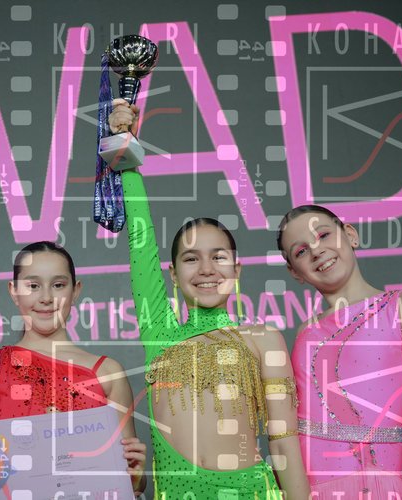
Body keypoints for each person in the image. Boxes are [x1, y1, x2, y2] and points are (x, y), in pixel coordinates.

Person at [109, 100, 310, 499]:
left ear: (237, 269)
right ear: (172, 274)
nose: (205, 269)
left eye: (218, 257)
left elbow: (284, 442)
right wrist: (127, 157)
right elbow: (140, 240)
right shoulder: (160, 333)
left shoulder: (263, 339)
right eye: (190, 259)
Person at [276, 205, 402, 499]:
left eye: (323, 235)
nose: (317, 251)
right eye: (301, 251)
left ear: (350, 234)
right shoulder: (304, 333)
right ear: (294, 272)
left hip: (379, 487)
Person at [0, 241, 147, 498]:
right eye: (33, 286)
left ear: (76, 290)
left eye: (58, 285)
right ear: (14, 291)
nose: (46, 298)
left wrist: (136, 475)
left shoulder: (107, 372)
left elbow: (132, 484)